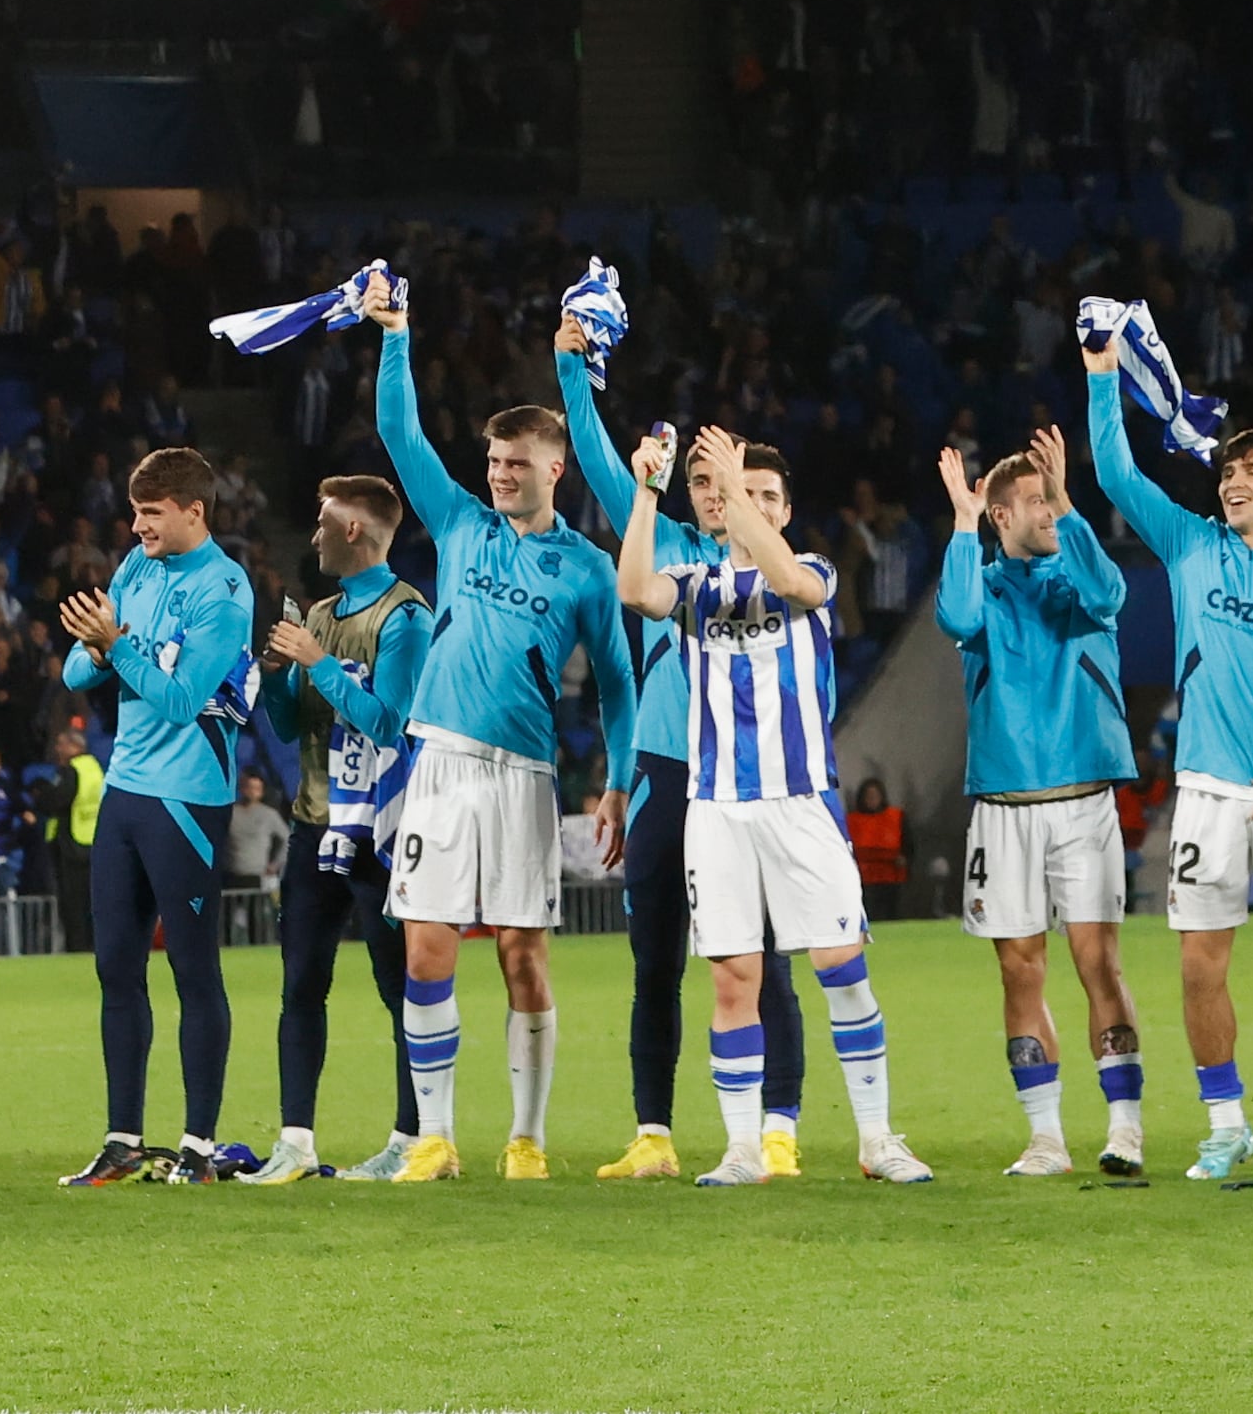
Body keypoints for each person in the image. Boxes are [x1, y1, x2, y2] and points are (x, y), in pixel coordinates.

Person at [1078, 318, 1253, 1181]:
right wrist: (1100, 371)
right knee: (1200, 963)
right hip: (1203, 789)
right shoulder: (1192, 543)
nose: (1234, 480)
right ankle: (1225, 1121)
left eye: (1252, 471)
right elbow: (1115, 472)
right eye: (1229, 470)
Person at [363, 270, 628, 1181]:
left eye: (518, 462)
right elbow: (400, 433)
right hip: (439, 760)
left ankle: (527, 1137)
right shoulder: (461, 524)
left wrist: (618, 778)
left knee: (522, 955)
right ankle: (435, 1137)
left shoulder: (589, 567)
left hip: (523, 773)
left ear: (555, 468)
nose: (500, 473)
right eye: (494, 461)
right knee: (427, 945)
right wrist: (397, 331)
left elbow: (619, 688)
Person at [614, 425, 926, 1184]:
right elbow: (633, 589)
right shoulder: (694, 584)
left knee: (839, 964)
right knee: (733, 978)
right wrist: (646, 491)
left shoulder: (807, 568)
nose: (748, 502)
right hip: (717, 806)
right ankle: (742, 1148)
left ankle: (878, 1138)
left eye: (766, 495)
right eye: (736, 491)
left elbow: (790, 581)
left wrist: (734, 487)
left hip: (798, 800)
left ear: (784, 511)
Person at [560, 307, 804, 1175]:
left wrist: (748, 508)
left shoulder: (781, 573)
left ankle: (778, 1127)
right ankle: (654, 1133)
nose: (713, 494)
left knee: (761, 957)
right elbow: (595, 461)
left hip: (747, 774)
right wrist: (572, 369)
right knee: (653, 955)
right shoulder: (662, 544)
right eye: (701, 482)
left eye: (727, 482)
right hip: (666, 768)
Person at [931, 425, 1144, 1179]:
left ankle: (1125, 1126)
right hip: (1003, 801)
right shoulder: (981, 585)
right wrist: (961, 524)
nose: (1048, 515)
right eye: (1035, 504)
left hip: (1084, 796)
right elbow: (955, 619)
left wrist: (1069, 500)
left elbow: (1111, 592)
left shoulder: (1077, 582)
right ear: (999, 517)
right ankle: (1047, 1137)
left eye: (1051, 502)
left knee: (1099, 963)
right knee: (1020, 972)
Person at [55, 444, 256, 1184]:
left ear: (193, 511)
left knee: (194, 971)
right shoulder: (136, 567)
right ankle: (123, 1140)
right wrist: (104, 649)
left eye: (151, 513)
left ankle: (199, 1147)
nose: (137, 525)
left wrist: (116, 646)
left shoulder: (225, 592)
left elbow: (180, 699)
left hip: (188, 799)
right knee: (116, 969)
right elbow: (80, 670)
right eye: (134, 511)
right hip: (126, 791)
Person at [254, 470, 428, 1184]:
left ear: (354, 529)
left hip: (385, 833)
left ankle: (413, 1140)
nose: (316, 532)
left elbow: (389, 721)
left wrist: (319, 663)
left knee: (402, 990)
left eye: (325, 520)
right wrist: (274, 677)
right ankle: (295, 1142)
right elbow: (294, 723)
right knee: (301, 984)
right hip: (313, 824)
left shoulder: (406, 617)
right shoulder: (317, 613)